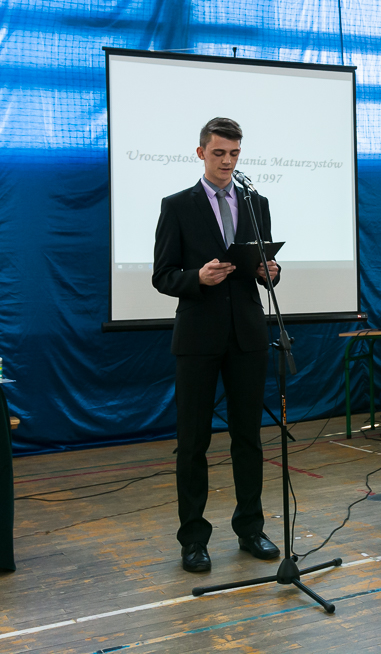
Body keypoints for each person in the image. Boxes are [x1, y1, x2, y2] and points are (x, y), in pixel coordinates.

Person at [152, 116, 283, 574]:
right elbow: (163, 275)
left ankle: (250, 528)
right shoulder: (177, 206)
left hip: (247, 334)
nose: (227, 162)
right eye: (219, 153)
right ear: (201, 153)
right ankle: (193, 538)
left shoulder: (256, 202)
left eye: (234, 154)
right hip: (198, 338)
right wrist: (197, 278)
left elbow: (262, 265)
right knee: (193, 442)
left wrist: (270, 272)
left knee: (248, 438)